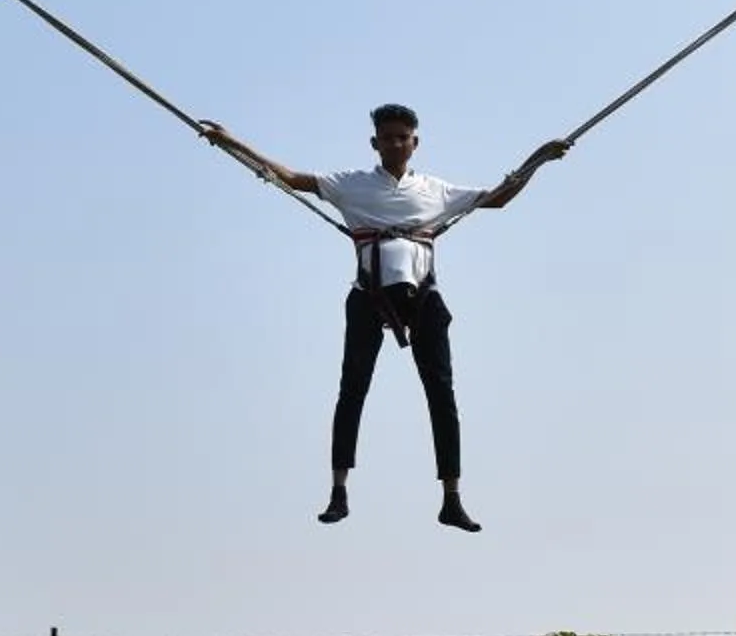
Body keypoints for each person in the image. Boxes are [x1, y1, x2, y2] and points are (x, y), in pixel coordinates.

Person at [201, 104, 568, 532]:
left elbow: (498, 197)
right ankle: (339, 491)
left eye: (402, 137)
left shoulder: (436, 190)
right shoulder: (351, 186)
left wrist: (538, 158)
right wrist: (230, 144)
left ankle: (452, 498)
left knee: (442, 395)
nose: (394, 143)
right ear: (374, 143)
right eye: (386, 137)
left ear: (415, 142)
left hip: (423, 297)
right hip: (369, 296)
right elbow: (288, 177)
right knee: (352, 389)